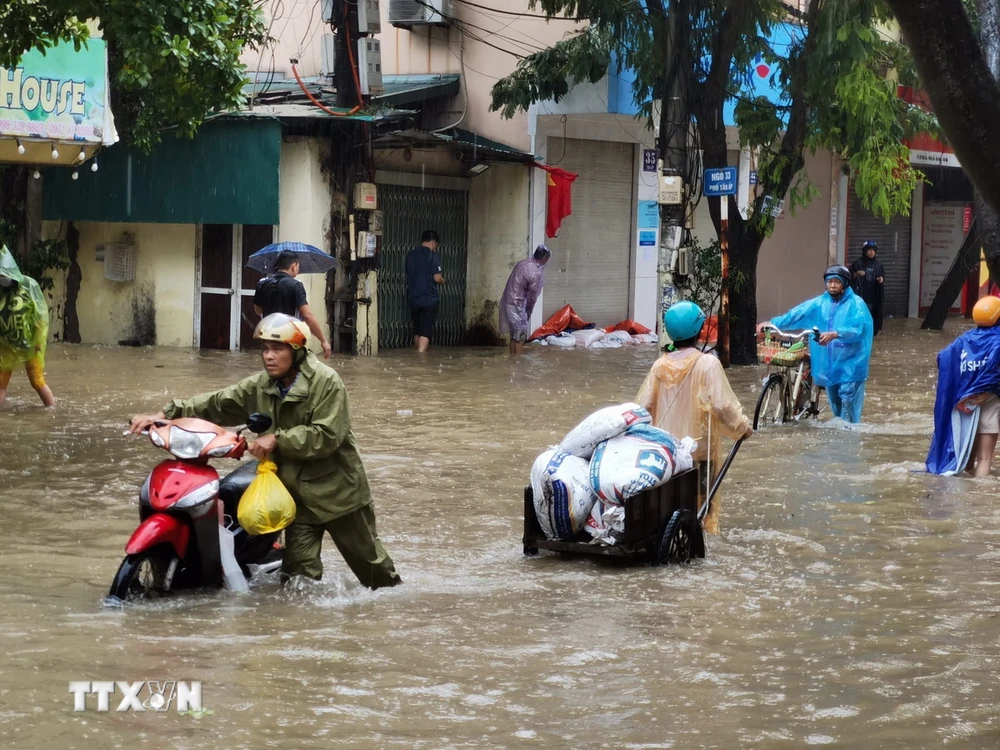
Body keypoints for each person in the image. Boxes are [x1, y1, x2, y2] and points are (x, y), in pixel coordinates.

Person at [128, 313, 401, 589]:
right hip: (297, 501)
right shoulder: (262, 385)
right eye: (265, 349)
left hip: (340, 496)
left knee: (376, 574)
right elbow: (219, 403)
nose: (269, 356)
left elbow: (327, 436)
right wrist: (164, 414)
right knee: (298, 583)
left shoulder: (326, 382)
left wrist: (277, 440)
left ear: (296, 352)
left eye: (277, 349)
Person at [635, 301, 753, 534]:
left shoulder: (660, 365)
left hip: (666, 452)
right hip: (700, 451)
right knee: (702, 506)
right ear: (699, 331)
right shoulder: (707, 363)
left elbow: (643, 407)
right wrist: (742, 428)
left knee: (669, 502)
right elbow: (723, 405)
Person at [760, 265, 874, 424]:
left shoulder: (856, 304)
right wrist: (772, 324)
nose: (832, 285)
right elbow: (797, 314)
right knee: (835, 403)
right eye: (829, 282)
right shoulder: (820, 303)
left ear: (845, 284)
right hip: (829, 363)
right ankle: (839, 435)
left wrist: (836, 334)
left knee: (848, 401)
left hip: (852, 362)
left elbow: (858, 329)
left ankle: (850, 436)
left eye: (836, 282)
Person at [927, 296, 1000, 477]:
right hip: (990, 402)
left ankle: (960, 496)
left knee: (965, 458)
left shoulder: (964, 339)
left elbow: (943, 358)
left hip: (965, 403)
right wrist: (987, 390)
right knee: (984, 459)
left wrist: (966, 386)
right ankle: (976, 500)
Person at [0, 246, 55, 408]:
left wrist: (38, 339)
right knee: (1, 384)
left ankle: (52, 411)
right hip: (6, 347)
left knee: (37, 382)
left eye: (4, 275)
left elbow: (40, 316)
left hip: (29, 344)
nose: (2, 278)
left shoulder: (27, 286)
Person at [253, 250, 332, 358]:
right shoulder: (296, 285)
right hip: (289, 339)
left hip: (269, 339)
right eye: (298, 266)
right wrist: (323, 340)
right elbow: (307, 315)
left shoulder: (262, 283)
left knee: (273, 368)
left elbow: (258, 311)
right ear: (294, 266)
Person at [499, 245, 550, 355]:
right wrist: (528, 312)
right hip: (517, 304)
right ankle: (517, 364)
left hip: (508, 301)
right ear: (544, 259)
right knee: (520, 337)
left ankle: (512, 360)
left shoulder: (523, 263)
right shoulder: (536, 272)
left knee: (514, 335)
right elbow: (532, 297)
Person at [405, 230, 445, 353]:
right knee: (425, 330)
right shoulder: (433, 256)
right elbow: (437, 278)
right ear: (433, 242)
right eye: (436, 245)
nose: (435, 248)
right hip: (428, 299)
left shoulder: (410, 255)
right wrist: (444, 281)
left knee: (417, 329)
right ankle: (421, 358)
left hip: (413, 298)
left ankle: (416, 354)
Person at [849, 240, 885, 336]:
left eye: (873, 250)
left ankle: (871, 333)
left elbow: (882, 276)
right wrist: (856, 274)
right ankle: (859, 332)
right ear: (865, 251)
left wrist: (881, 279)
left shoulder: (878, 265)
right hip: (860, 294)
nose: (871, 252)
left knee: (873, 313)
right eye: (869, 250)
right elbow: (848, 278)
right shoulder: (857, 264)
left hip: (874, 295)